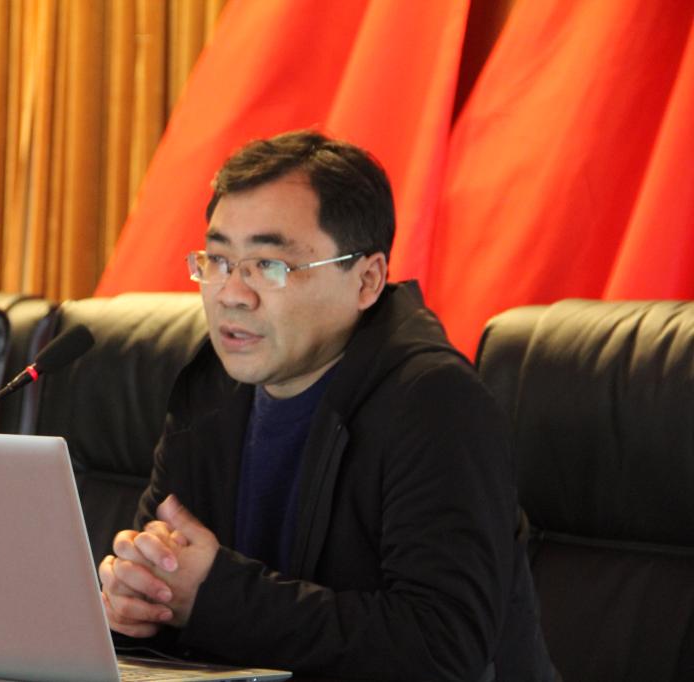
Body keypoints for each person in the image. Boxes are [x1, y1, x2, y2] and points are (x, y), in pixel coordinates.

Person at [98, 130, 556, 681]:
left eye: (268, 265)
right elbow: (172, 590)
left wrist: (213, 597)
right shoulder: (210, 387)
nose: (231, 293)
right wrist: (134, 605)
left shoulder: (436, 405)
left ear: (367, 280)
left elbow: (441, 649)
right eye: (217, 260)